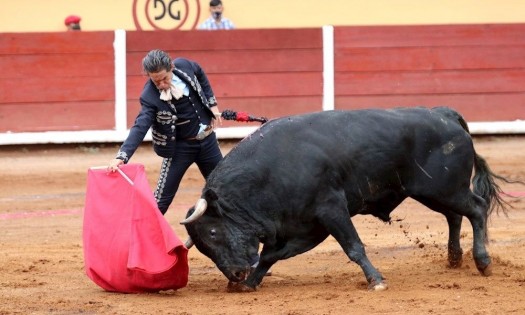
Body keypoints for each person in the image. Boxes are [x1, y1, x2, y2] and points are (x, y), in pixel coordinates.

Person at [108, 49, 223, 215]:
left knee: (225, 190)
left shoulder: (185, 66)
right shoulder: (149, 96)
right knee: (161, 200)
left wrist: (212, 104)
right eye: (156, 82)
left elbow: (199, 72)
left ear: (172, 67)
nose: (161, 84)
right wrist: (122, 155)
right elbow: (140, 126)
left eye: (165, 79)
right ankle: (142, 237)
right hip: (179, 149)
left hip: (208, 141)